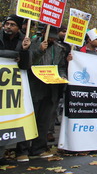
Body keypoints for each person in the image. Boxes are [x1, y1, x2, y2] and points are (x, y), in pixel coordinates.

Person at [17, 26, 66, 161]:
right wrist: (39, 51)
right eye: (49, 36)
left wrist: (62, 76)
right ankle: (22, 150)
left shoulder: (59, 49)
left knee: (44, 121)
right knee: (29, 120)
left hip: (50, 89)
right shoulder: (31, 44)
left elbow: (60, 66)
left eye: (54, 37)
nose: (51, 39)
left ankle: (38, 148)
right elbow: (26, 62)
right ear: (43, 33)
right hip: (34, 87)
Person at [0, 15, 31, 165]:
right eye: (7, 23)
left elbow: (25, 65)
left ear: (18, 28)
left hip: (12, 88)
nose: (8, 27)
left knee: (6, 120)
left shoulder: (23, 41)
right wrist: (13, 55)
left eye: (12, 25)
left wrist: (24, 51)